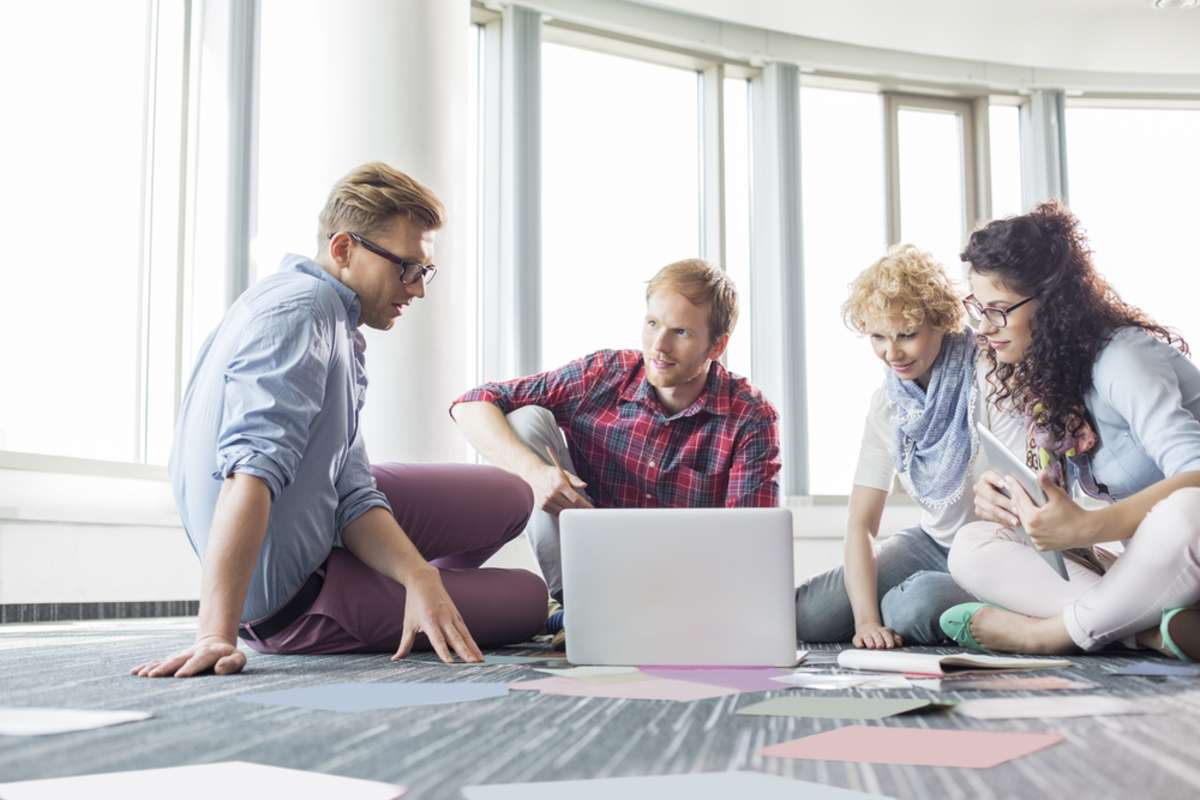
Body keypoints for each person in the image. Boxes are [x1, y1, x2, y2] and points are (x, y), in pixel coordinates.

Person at [132, 162, 547, 678]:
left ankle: (423, 597)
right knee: (530, 599)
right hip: (299, 602)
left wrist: (420, 577)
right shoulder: (301, 314)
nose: (417, 289)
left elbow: (351, 490)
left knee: (511, 496)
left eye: (424, 270)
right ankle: (398, 603)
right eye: (406, 268)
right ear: (343, 249)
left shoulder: (329, 314)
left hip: (320, 524)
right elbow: (250, 470)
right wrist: (216, 634)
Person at [940, 201, 1200, 661]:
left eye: (998, 310)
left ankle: (1049, 634)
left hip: (1187, 543)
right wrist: (1017, 501)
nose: (983, 327)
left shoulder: (1124, 358)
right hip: (1161, 571)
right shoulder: (1049, 376)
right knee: (972, 544)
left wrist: (1089, 525)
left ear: (1053, 304)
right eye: (978, 308)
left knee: (1187, 511)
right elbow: (1062, 507)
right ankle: (1144, 631)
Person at [450, 259, 780, 616]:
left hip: (687, 587)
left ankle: (620, 616)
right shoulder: (603, 374)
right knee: (526, 420)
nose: (659, 346)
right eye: (653, 324)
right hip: (590, 570)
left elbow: (749, 545)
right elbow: (470, 404)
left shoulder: (750, 416)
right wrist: (536, 475)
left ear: (716, 347)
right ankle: (574, 605)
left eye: (681, 332)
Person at [793, 245, 1025, 647]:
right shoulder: (888, 405)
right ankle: (919, 608)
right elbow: (861, 523)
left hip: (998, 551)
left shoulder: (988, 376)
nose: (891, 353)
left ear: (941, 322)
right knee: (807, 615)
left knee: (912, 607)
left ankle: (1021, 608)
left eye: (907, 335)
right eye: (878, 337)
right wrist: (865, 622)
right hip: (932, 542)